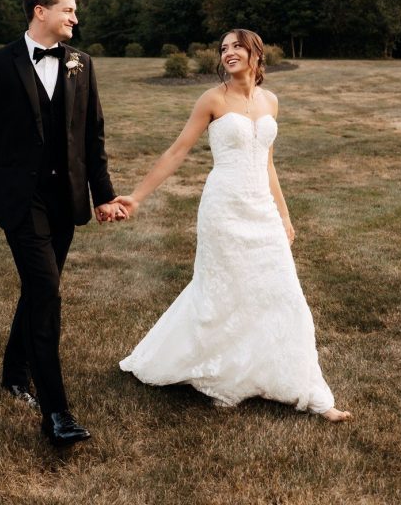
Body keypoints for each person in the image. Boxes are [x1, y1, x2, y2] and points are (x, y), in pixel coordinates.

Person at [115, 28, 351, 422]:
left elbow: (268, 163)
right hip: (223, 209)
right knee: (221, 293)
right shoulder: (212, 99)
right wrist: (137, 197)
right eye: (224, 48)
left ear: (256, 53)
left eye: (237, 46)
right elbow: (177, 151)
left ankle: (312, 393)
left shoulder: (270, 101)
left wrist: (284, 215)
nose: (228, 53)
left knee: (283, 293)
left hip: (262, 210)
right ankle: (221, 373)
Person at [0, 0, 125, 448]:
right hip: (18, 199)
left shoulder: (81, 64)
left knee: (38, 289)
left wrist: (103, 195)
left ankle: (14, 373)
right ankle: (56, 413)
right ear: (40, 11)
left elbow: (92, 136)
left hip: (64, 199)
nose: (74, 18)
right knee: (46, 291)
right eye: (68, 10)